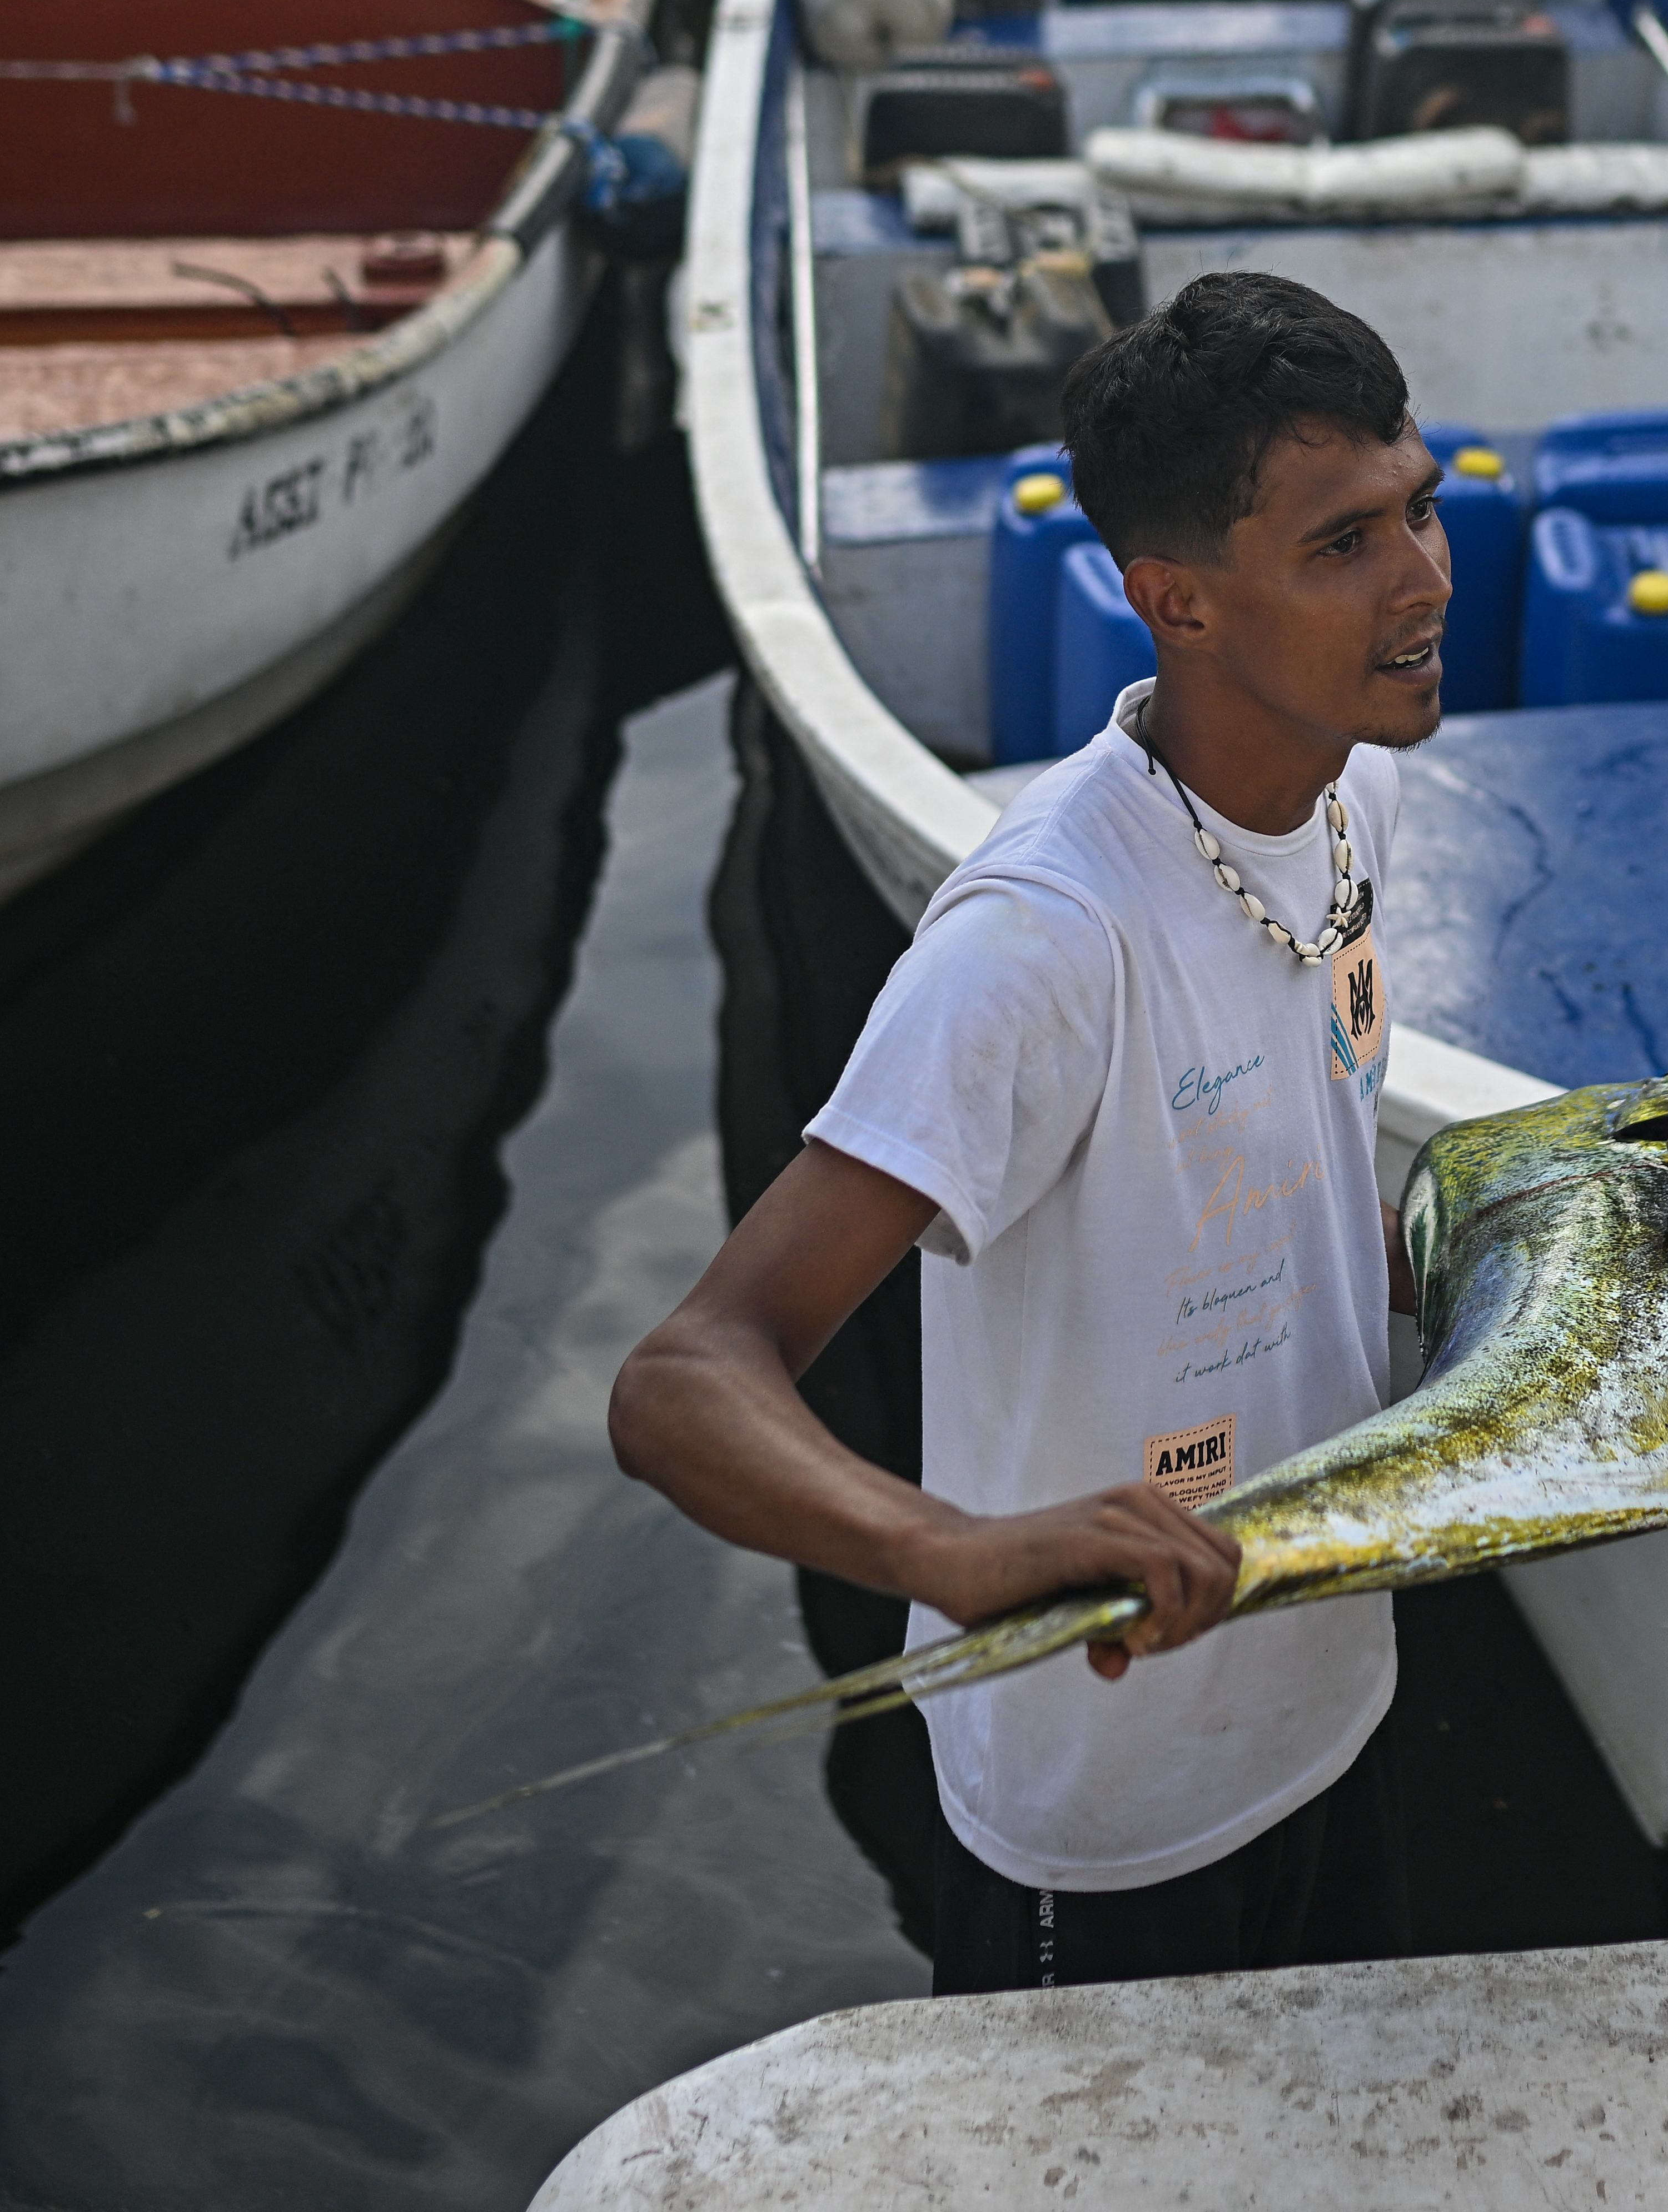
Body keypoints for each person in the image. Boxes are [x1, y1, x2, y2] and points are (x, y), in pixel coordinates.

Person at [610, 269, 1447, 1993]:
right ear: (1180, 605)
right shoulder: (1040, 941)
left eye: (1423, 507)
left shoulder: (1356, 797)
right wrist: (955, 1554)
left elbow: (1307, 1157)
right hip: (1106, 1806)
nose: (1428, 577)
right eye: (1345, 544)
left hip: (1335, 1709)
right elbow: (687, 1377)